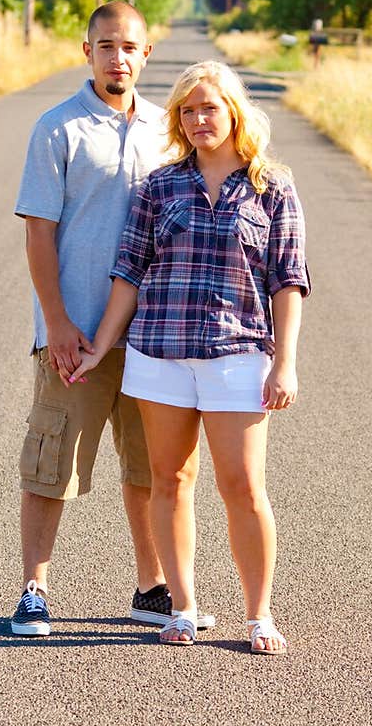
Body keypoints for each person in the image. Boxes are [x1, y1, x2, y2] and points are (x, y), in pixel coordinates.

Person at [71, 59, 310, 654]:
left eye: (209, 107)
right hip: (161, 354)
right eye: (187, 110)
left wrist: (285, 362)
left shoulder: (271, 185)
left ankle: (259, 616)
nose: (199, 119)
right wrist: (101, 344)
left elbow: (289, 280)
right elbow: (130, 271)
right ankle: (182, 607)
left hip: (238, 355)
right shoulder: (160, 185)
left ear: (234, 111)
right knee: (170, 481)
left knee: (243, 486)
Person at [10, 1, 215, 638]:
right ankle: (34, 590)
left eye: (129, 47)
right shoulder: (57, 129)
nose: (117, 58)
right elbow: (39, 235)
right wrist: (59, 322)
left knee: (154, 469)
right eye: (105, 46)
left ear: (147, 53)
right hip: (75, 334)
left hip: (156, 337)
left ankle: (152, 588)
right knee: (53, 462)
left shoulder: (168, 131)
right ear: (87, 52)